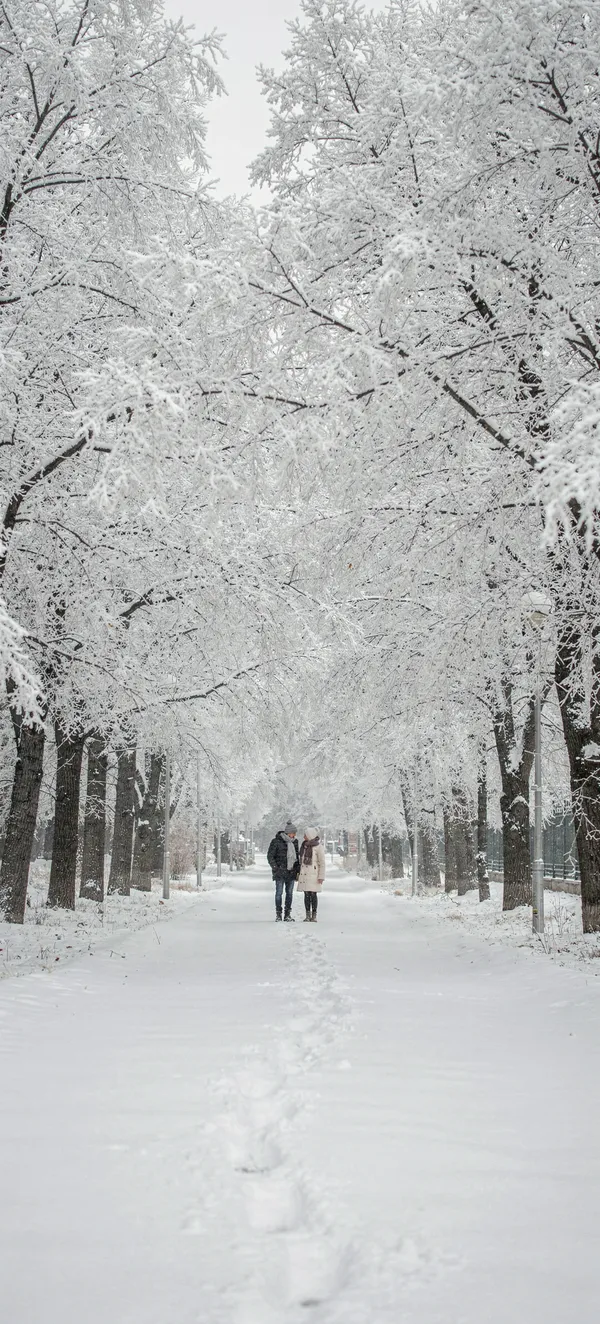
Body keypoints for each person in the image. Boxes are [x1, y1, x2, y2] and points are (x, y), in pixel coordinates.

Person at [267, 820, 300, 921]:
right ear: (288, 832)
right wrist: (276, 868)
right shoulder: (276, 841)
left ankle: (287, 914)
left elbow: (297, 857)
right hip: (280, 872)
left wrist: (297, 869)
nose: (294, 835)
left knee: (289, 894)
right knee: (279, 893)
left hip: (291, 872)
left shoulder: (295, 842)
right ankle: (278, 914)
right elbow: (270, 856)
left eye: (295, 833)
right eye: (293, 833)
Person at [297, 827, 326, 922]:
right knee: (306, 894)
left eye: (305, 835)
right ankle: (307, 915)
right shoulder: (304, 846)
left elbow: (322, 863)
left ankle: (314, 915)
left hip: (314, 874)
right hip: (305, 874)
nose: (304, 837)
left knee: (313, 894)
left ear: (310, 835)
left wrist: (321, 876)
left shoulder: (318, 847)